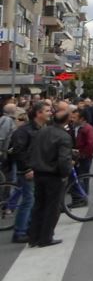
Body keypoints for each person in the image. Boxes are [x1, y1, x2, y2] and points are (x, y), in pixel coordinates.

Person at [27, 104, 73, 248]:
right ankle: (46, 238)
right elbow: (64, 159)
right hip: (53, 175)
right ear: (67, 121)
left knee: (39, 205)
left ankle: (33, 237)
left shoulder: (42, 131)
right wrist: (65, 174)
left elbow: (33, 150)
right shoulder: (64, 136)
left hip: (39, 173)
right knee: (52, 208)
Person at [7, 101, 46, 244]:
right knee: (28, 200)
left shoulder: (40, 128)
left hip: (36, 169)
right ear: (38, 113)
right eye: (47, 110)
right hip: (27, 171)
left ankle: (28, 228)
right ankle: (19, 232)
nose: (50, 112)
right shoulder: (24, 131)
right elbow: (19, 152)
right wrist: (27, 169)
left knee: (32, 199)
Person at [70, 108, 93, 207]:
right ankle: (81, 197)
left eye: (74, 117)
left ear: (82, 119)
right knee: (78, 177)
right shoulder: (74, 127)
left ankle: (83, 198)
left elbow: (91, 143)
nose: (72, 119)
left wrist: (82, 155)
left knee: (82, 177)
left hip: (84, 157)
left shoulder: (87, 128)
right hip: (77, 156)